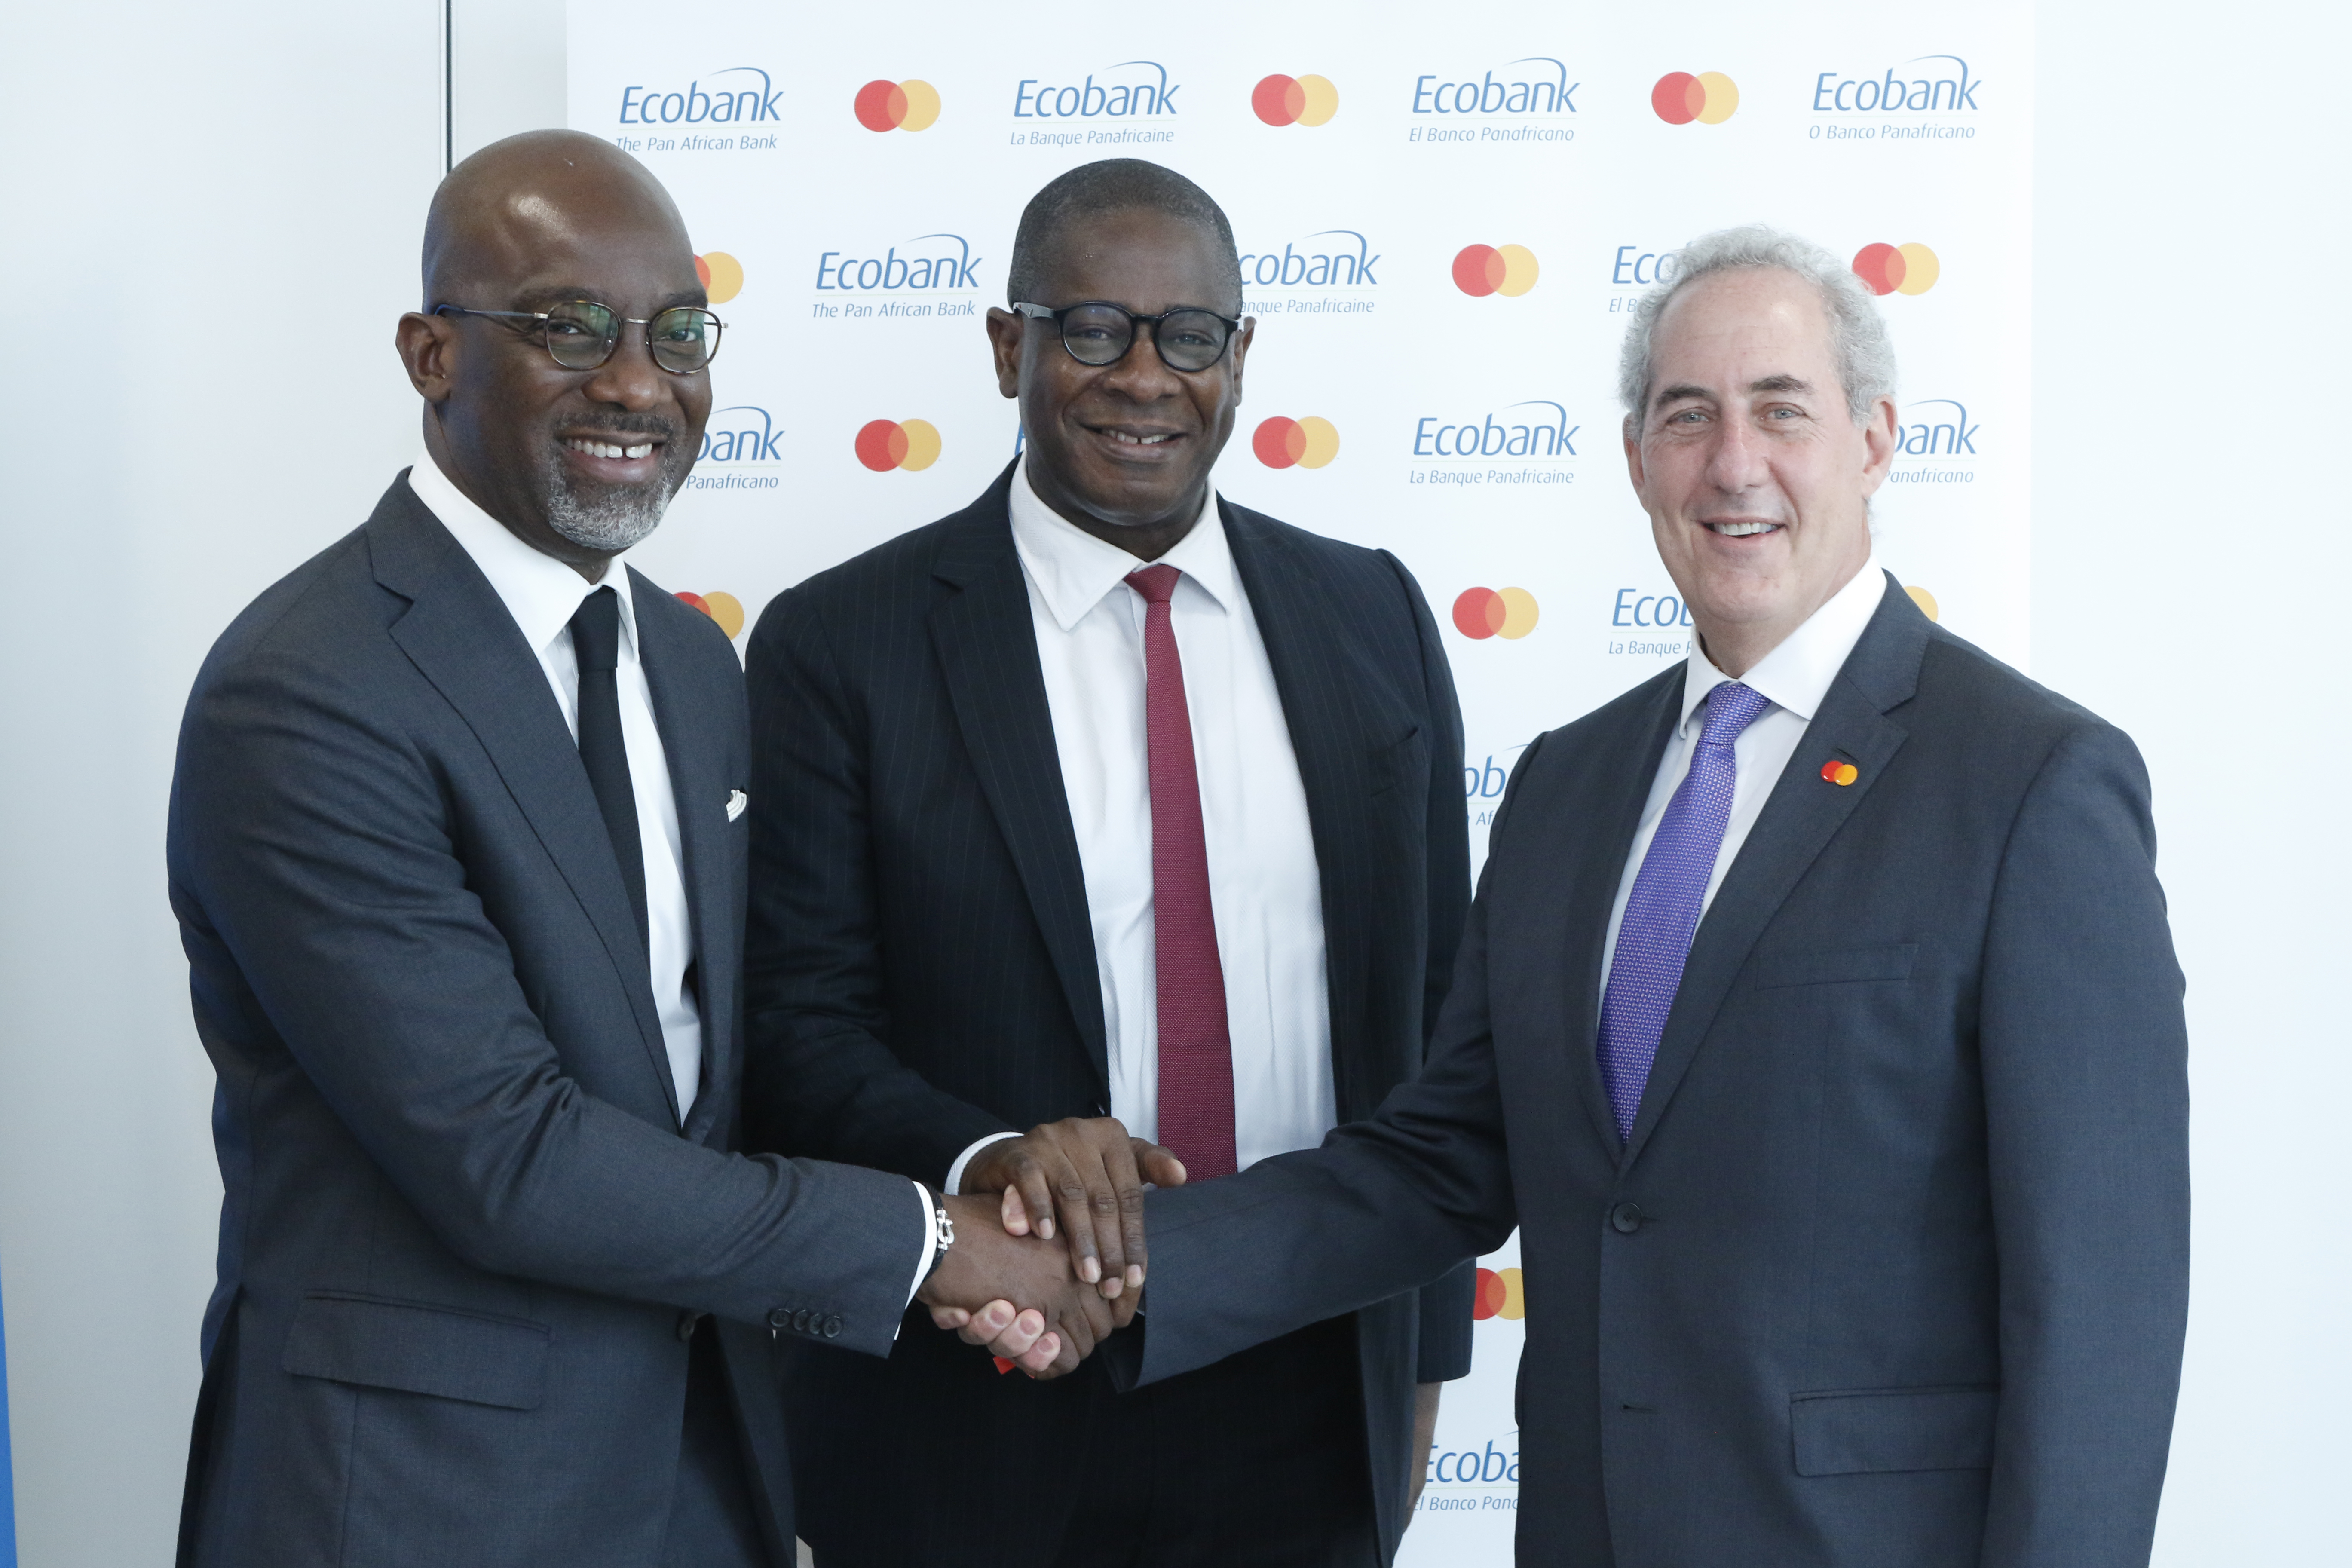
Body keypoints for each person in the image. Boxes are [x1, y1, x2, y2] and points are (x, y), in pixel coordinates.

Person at [1073, 226, 2192, 1566]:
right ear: (1636, 460)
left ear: (1877, 439)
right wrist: (1122, 1266)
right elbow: (1442, 1160)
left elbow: (2100, 1302)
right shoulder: (1567, 786)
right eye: (1688, 417)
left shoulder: (2031, 784)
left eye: (1782, 410)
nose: (1734, 464)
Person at [166, 129, 1095, 1568]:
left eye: (677, 332)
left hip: (700, 1478)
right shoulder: (307, 690)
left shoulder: (687, 662)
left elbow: (720, 1072)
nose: (637, 384)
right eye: (570, 327)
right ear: (428, 354)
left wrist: (978, 1160)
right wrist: (926, 1246)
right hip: (417, 1498)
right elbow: (508, 1154)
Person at [744, 158, 1475, 1567]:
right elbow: (794, 1033)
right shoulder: (844, 643)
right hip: (974, 1398)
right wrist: (990, 1155)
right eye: (1093, 330)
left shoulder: (1372, 614)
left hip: (1313, 1389)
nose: (1144, 375)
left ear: (1242, 357)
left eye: (1188, 334)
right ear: (1010, 347)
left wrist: (1424, 1365)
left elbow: (1436, 1035)